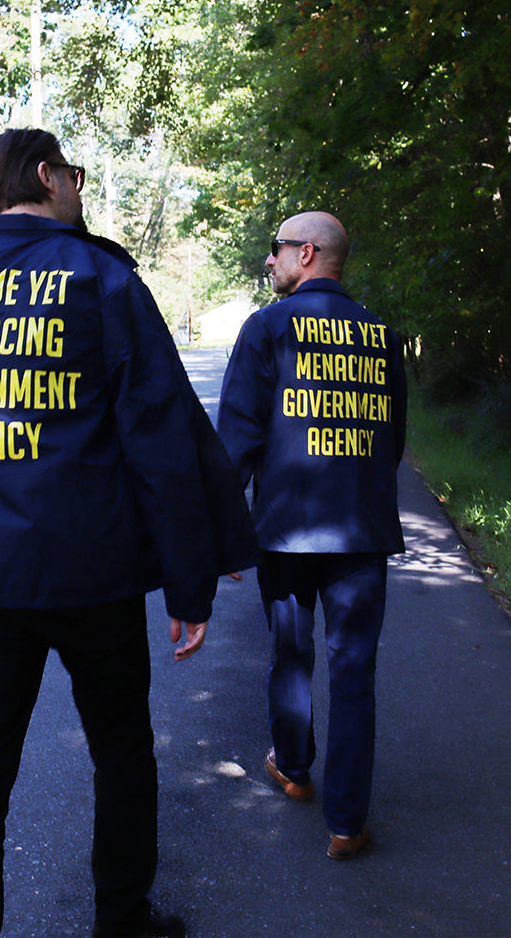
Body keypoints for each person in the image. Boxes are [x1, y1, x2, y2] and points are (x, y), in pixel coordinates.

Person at [0, 127, 258, 938]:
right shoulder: (101, 278)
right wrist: (191, 578)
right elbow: (161, 438)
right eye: (76, 172)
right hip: (88, 574)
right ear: (47, 175)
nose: (80, 187)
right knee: (122, 755)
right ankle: (123, 923)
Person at [216, 211, 406, 860]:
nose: (268, 262)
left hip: (286, 532)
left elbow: (236, 443)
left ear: (306, 253)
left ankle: (294, 770)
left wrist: (221, 535)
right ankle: (347, 824)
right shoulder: (382, 337)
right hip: (361, 532)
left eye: (276, 252)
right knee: (354, 671)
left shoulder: (268, 328)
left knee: (291, 656)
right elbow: (393, 442)